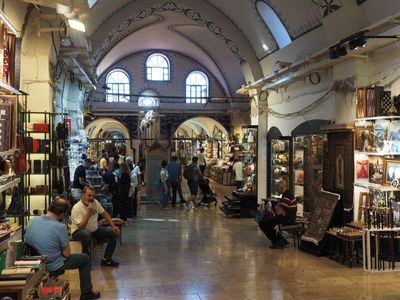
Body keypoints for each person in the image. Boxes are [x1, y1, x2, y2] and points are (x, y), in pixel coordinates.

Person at [25, 198, 101, 300]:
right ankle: (86, 293)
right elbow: (66, 254)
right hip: (51, 264)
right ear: (62, 214)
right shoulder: (60, 227)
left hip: (34, 262)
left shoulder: (32, 221)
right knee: (84, 259)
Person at [71, 186, 121, 266]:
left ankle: (106, 259)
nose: (91, 198)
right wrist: (88, 212)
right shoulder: (76, 208)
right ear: (83, 195)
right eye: (89, 195)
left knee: (112, 232)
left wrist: (113, 226)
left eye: (93, 196)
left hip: (94, 229)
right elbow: (81, 227)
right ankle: (85, 261)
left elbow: (105, 214)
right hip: (79, 231)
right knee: (86, 234)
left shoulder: (95, 202)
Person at [258, 180, 297, 249]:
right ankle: (281, 240)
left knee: (263, 223)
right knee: (266, 221)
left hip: (287, 219)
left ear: (281, 187)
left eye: (278, 187)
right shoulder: (286, 195)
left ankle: (278, 241)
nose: (277, 189)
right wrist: (278, 208)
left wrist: (275, 207)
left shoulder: (287, 196)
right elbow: (279, 210)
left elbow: (278, 211)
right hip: (285, 217)